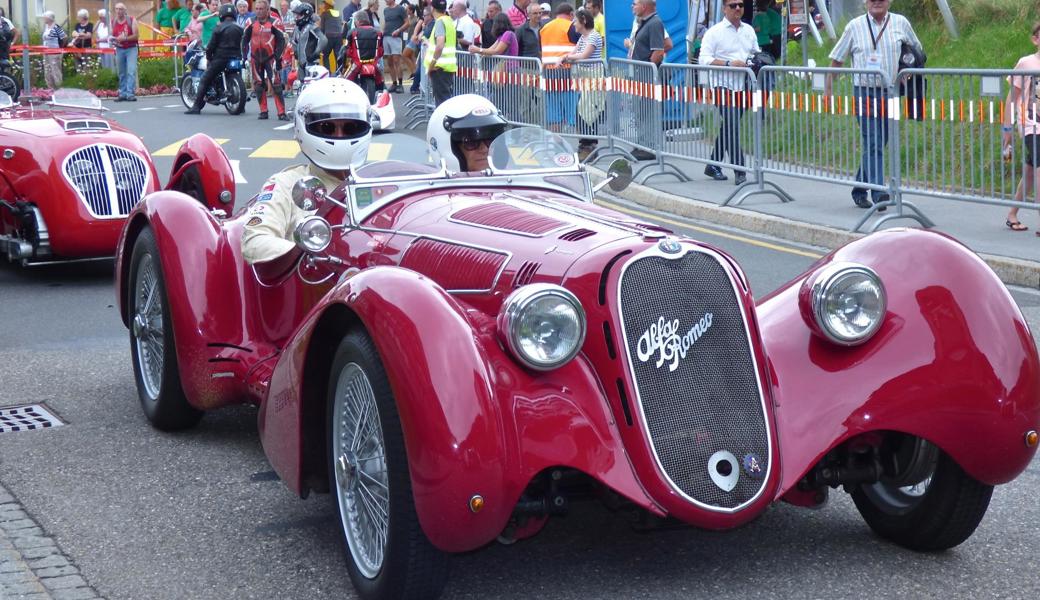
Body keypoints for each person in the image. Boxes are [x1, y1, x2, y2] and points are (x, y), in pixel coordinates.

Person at [242, 78, 372, 265]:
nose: (339, 136)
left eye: (351, 127)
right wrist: (318, 255)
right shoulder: (287, 183)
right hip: (311, 287)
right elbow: (254, 240)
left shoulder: (376, 184)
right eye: (326, 127)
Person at [827, 0, 921, 212]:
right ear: (865, 2)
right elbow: (837, 59)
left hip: (890, 92)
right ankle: (879, 192)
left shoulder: (901, 23)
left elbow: (916, 49)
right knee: (874, 141)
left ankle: (860, 189)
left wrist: (905, 68)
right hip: (864, 92)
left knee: (879, 142)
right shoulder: (854, 26)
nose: (877, 2)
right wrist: (828, 89)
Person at [699, 0, 759, 185]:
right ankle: (740, 172)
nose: (738, 8)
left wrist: (754, 61)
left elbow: (756, 52)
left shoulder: (748, 30)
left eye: (740, 5)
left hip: (743, 85)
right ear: (725, 9)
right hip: (721, 85)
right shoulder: (714, 32)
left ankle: (713, 165)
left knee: (729, 126)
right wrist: (727, 63)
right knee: (732, 125)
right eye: (733, 5)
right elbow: (704, 59)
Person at [1002, 22, 1040, 232]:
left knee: (1029, 173)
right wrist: (1007, 129)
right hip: (1031, 125)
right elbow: (1011, 97)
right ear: (1035, 39)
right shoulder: (1026, 63)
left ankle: (1012, 213)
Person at [185, 3, 245, 114]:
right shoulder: (240, 28)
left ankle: (196, 107)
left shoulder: (218, 27)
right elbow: (244, 44)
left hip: (221, 58)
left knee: (204, 79)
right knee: (238, 73)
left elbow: (211, 46)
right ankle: (242, 103)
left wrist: (208, 57)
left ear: (221, 14)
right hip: (236, 57)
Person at [427, 94, 510, 172]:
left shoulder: (513, 182)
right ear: (445, 145)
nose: (485, 149)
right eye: (471, 142)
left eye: (491, 140)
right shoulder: (429, 186)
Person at [563, 8, 604, 151]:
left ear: (584, 21)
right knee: (582, 108)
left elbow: (584, 55)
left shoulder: (594, 36)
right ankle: (585, 140)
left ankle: (589, 142)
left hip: (593, 77)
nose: (573, 23)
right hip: (584, 78)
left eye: (575, 21)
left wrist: (565, 57)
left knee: (588, 109)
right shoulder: (583, 38)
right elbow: (575, 53)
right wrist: (567, 57)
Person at [242, 0, 288, 120]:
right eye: (256, 9)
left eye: (261, 9)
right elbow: (244, 40)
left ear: (267, 10)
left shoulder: (275, 22)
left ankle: (281, 113)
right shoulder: (250, 22)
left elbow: (282, 41)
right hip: (255, 59)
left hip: (271, 59)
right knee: (258, 85)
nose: (258, 11)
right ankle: (263, 111)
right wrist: (243, 57)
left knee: (276, 86)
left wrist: (278, 58)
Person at [540, 3, 578, 133]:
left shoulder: (545, 27)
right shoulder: (571, 26)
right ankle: (576, 140)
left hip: (549, 72)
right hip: (567, 71)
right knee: (572, 109)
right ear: (571, 14)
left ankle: (555, 143)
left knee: (553, 112)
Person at [341, 9, 384, 100]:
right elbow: (381, 51)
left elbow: (346, 50)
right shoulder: (378, 32)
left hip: (357, 64)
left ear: (357, 21)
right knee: (381, 82)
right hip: (374, 64)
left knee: (344, 82)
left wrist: (344, 62)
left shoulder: (352, 32)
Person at [425, 0, 457, 107]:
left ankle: (442, 123)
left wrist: (431, 64)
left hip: (438, 68)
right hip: (447, 67)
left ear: (432, 9)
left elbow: (440, 45)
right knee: (445, 99)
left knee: (442, 103)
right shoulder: (449, 21)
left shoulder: (439, 22)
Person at [111, 4, 140, 100]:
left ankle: (130, 94)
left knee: (131, 71)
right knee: (121, 72)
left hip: (131, 48)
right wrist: (113, 40)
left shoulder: (131, 20)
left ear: (124, 10)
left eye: (121, 9)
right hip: (119, 48)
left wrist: (125, 38)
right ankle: (122, 93)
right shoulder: (113, 21)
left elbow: (136, 35)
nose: (118, 11)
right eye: (117, 9)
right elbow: (112, 35)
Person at [291, 1, 326, 71]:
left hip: (312, 64)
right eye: (296, 15)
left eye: (299, 15)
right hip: (300, 63)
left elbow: (323, 40)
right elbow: (294, 41)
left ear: (306, 15)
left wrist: (315, 53)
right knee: (300, 80)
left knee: (311, 81)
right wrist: (295, 52)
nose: (297, 17)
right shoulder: (297, 28)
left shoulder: (313, 27)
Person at [382, 0, 408, 92]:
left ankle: (400, 85)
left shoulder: (400, 9)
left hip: (396, 38)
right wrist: (383, 32)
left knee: (396, 60)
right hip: (386, 37)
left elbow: (407, 23)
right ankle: (394, 83)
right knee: (389, 61)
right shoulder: (385, 10)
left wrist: (398, 30)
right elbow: (386, 23)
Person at [410, 5, 434, 94]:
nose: (423, 17)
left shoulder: (432, 24)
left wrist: (421, 35)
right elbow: (420, 37)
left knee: (421, 69)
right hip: (424, 51)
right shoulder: (428, 24)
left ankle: (415, 87)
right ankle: (415, 87)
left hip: (429, 53)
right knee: (420, 69)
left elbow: (422, 37)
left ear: (430, 15)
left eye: (425, 15)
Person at [41, 11, 66, 90]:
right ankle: (50, 88)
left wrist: (61, 46)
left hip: (55, 52)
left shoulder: (56, 27)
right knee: (47, 70)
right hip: (46, 51)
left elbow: (64, 37)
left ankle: (59, 87)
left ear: (49, 18)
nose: (44, 19)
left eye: (45, 17)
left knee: (55, 70)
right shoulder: (46, 27)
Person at [318, 0, 341, 71]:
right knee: (338, 56)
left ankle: (328, 72)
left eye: (324, 4)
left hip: (328, 37)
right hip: (338, 37)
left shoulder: (324, 14)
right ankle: (339, 72)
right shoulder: (338, 13)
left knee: (325, 55)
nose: (323, 5)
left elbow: (322, 28)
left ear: (327, 5)